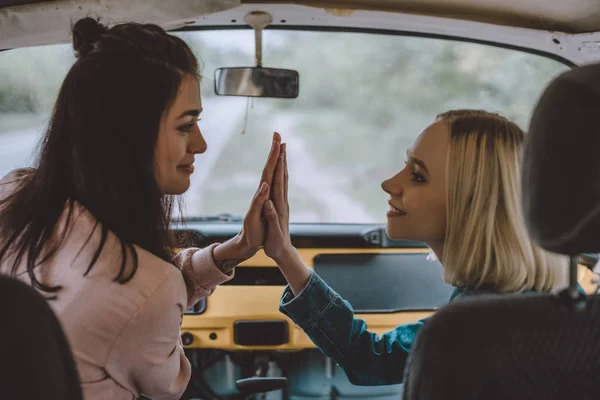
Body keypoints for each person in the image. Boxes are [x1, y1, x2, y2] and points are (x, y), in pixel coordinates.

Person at [0, 17, 282, 400]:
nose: (200, 144)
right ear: (127, 136)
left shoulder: (14, 194)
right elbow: (165, 381)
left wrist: (235, 250)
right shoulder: (145, 286)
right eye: (186, 126)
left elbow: (128, 302)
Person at [260, 109, 569, 385]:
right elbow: (372, 358)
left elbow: (370, 360)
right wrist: (284, 253)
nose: (389, 184)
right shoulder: (565, 314)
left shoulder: (468, 327)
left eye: (417, 176)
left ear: (472, 203)